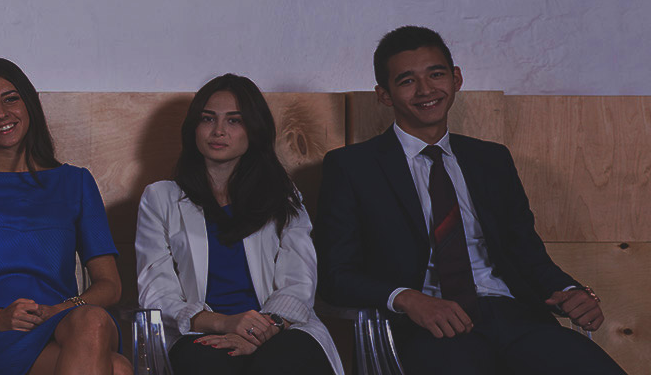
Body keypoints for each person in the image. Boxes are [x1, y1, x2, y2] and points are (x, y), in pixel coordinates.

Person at [314, 26, 624, 374]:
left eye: (436, 74)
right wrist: (407, 298)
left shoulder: (491, 160)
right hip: (426, 326)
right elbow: (336, 275)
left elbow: (527, 253)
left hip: (513, 316)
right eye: (407, 81)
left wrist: (570, 290)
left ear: (456, 78)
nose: (426, 90)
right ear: (384, 95)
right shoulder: (353, 167)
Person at [0, 58, 130, 375]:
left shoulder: (76, 182)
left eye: (10, 99)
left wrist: (59, 309)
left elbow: (110, 284)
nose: (1, 113)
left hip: (64, 322)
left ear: (29, 104)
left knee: (93, 320)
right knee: (118, 368)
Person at [133, 74, 342, 375]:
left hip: (280, 328)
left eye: (234, 120)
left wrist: (259, 330)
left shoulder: (282, 196)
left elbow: (299, 282)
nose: (219, 131)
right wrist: (223, 323)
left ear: (254, 129)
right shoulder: (160, 198)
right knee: (205, 361)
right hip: (200, 332)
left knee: (283, 361)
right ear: (194, 127)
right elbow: (157, 292)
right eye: (208, 119)